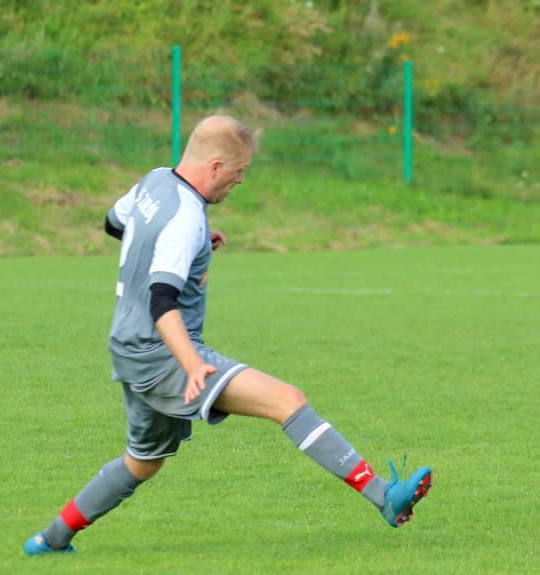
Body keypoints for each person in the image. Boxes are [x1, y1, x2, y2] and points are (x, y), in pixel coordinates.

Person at [24, 115, 433, 556]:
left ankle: (50, 539)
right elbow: (162, 302)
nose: (239, 182)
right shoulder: (185, 217)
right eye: (239, 173)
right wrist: (191, 364)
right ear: (216, 166)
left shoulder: (155, 181)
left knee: (142, 462)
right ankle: (384, 496)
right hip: (163, 353)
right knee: (287, 400)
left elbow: (114, 223)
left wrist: (197, 244)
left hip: (128, 348)